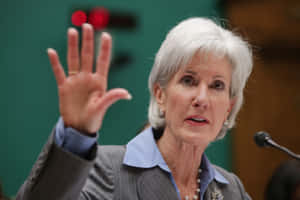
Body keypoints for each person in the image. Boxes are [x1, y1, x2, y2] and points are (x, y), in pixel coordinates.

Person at [16, 17, 253, 200]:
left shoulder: (232, 189)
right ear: (160, 94)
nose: (202, 98)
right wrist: (76, 133)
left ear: (229, 107)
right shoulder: (106, 169)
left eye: (217, 85)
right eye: (188, 80)